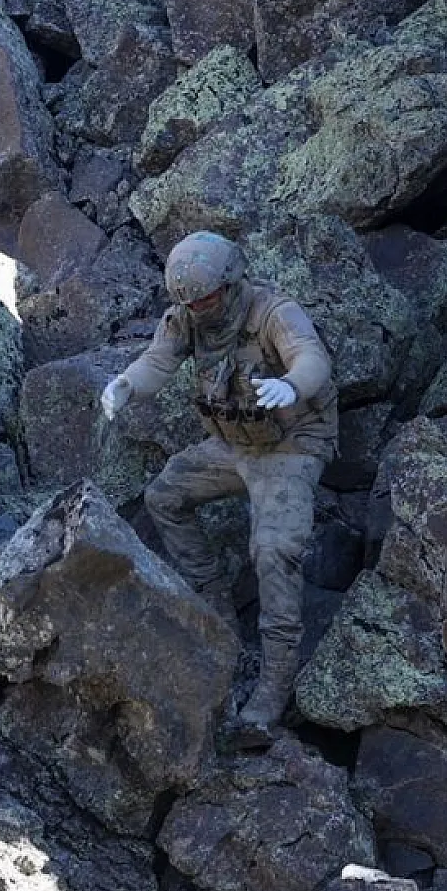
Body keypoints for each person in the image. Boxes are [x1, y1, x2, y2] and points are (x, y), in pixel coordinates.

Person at [100, 231, 337, 746]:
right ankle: (218, 604)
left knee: (274, 553)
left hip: (291, 445)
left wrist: (292, 385)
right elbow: (159, 361)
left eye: (206, 298)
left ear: (231, 284)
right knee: (165, 497)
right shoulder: (185, 317)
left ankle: (275, 686)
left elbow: (312, 359)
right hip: (235, 443)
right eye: (189, 301)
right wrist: (125, 384)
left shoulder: (273, 312)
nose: (198, 309)